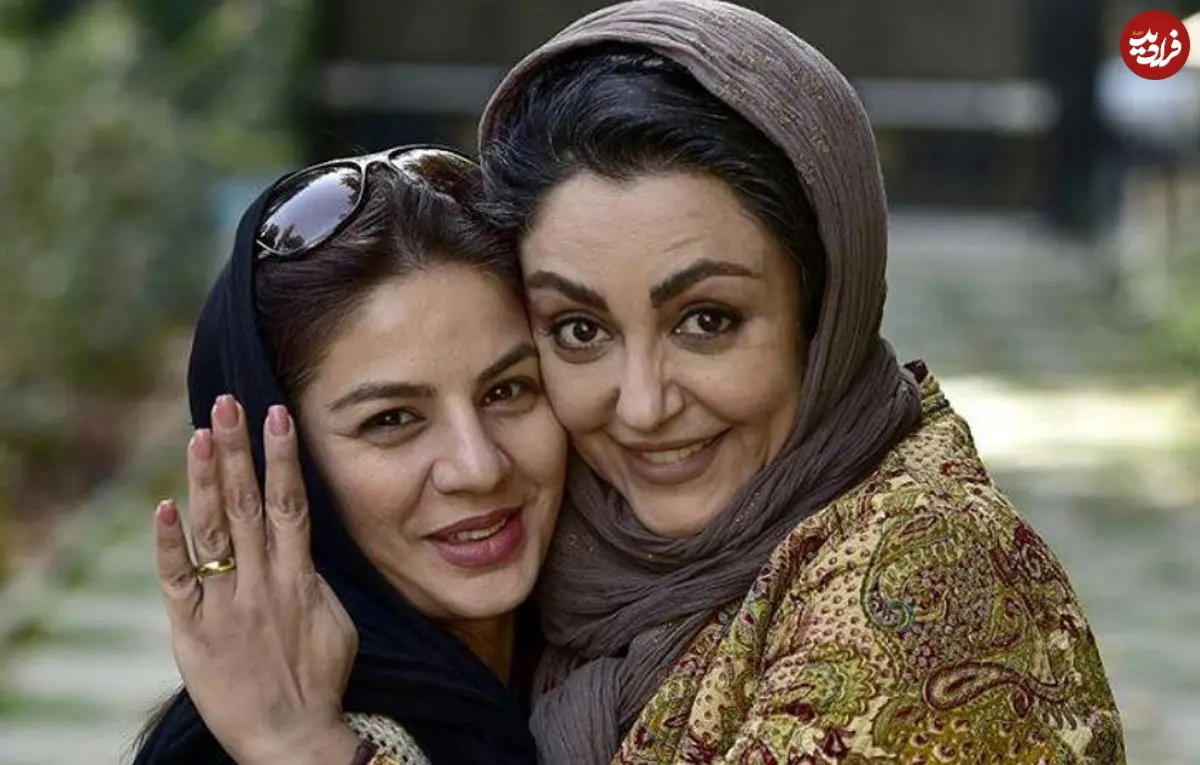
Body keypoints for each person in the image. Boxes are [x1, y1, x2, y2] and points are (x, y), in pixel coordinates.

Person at [157, 1, 1126, 763]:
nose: (643, 405)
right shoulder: (581, 596)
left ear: (823, 307)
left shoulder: (920, 577)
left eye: (707, 320)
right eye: (579, 331)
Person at [133, 146, 565, 765]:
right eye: (392, 420)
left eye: (507, 391)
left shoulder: (630, 660)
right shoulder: (238, 749)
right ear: (283, 465)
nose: (479, 467)